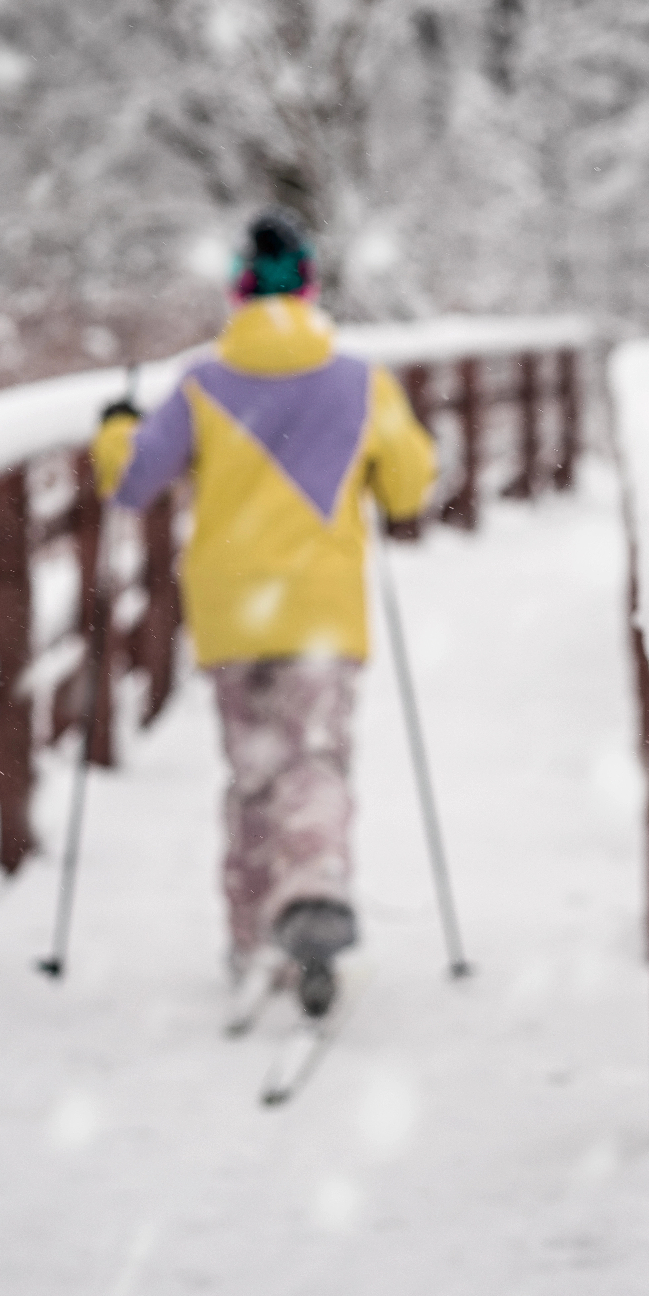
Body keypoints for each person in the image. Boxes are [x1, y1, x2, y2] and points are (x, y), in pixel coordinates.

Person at [91, 209, 437, 1016]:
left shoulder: (202, 385)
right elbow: (411, 485)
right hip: (322, 609)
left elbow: (134, 482)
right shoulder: (359, 380)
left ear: (238, 291)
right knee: (313, 757)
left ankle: (250, 934)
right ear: (311, 289)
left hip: (231, 610)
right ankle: (312, 889)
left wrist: (115, 433)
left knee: (253, 774)